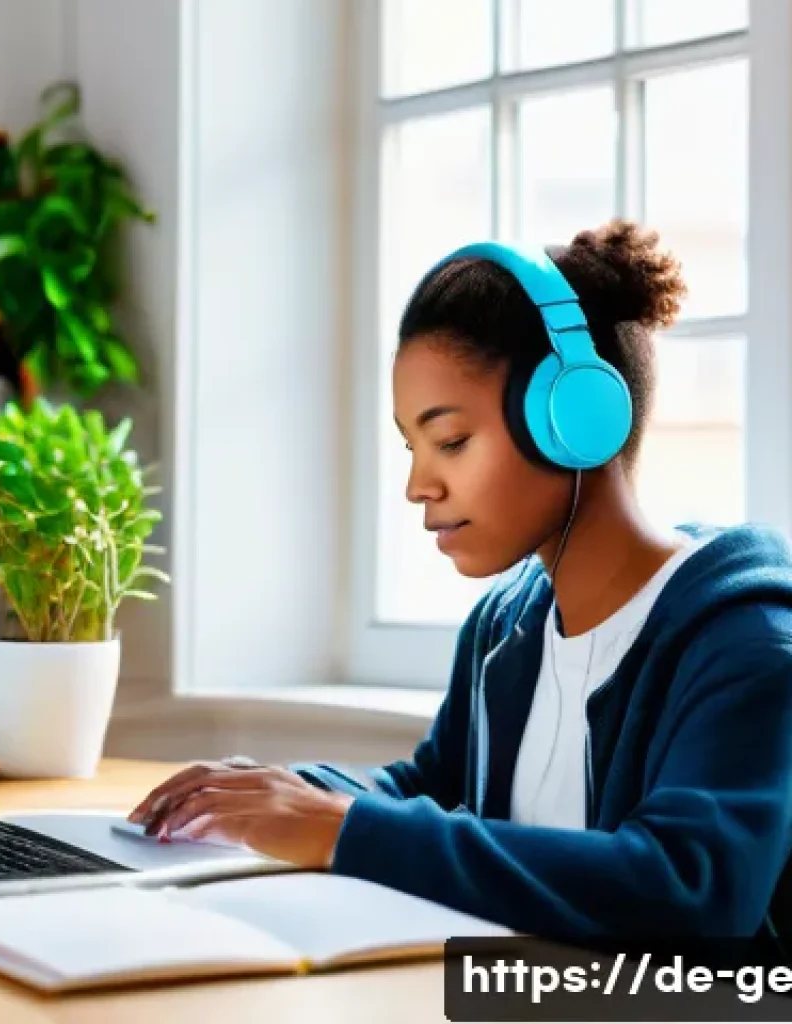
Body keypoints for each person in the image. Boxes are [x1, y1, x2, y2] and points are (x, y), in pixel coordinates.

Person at [128, 220, 792, 946]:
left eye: (449, 441)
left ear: (575, 422)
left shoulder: (747, 645)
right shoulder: (504, 630)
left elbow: (691, 888)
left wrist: (339, 829)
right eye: (412, 446)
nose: (418, 485)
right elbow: (429, 790)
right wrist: (286, 791)